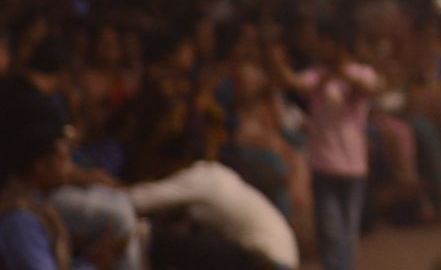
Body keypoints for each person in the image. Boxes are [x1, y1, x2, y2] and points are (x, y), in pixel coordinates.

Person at [271, 24, 378, 270]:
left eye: (325, 42)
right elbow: (292, 83)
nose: (320, 47)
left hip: (353, 164)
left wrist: (341, 73)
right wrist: (275, 60)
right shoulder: (317, 75)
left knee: (348, 229)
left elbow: (369, 90)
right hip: (323, 162)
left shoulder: (362, 73)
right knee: (330, 230)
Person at [0, 76, 128, 270]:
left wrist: (90, 260)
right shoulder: (21, 219)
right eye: (63, 159)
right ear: (41, 166)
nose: (69, 168)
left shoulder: (37, 203)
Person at [125, 160, 299, 270]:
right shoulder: (220, 175)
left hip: (266, 262)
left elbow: (141, 199)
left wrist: (109, 192)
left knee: (153, 235)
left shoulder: (199, 179)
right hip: (283, 259)